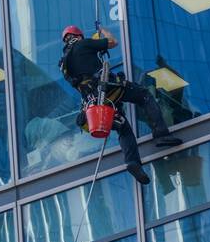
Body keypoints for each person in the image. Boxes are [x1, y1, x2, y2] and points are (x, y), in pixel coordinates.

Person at [59, 25, 181, 186]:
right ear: (78, 36)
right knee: (144, 96)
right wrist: (103, 32)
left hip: (95, 102)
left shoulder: (63, 65)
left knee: (123, 127)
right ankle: (162, 135)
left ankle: (133, 162)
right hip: (108, 86)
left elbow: (84, 68)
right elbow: (112, 42)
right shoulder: (83, 44)